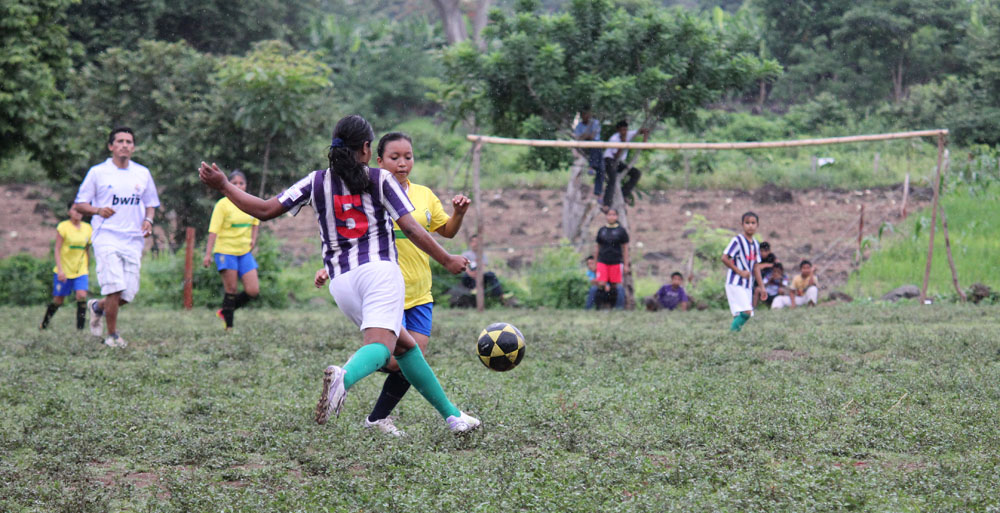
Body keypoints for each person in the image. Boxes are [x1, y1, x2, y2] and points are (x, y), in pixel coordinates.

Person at [198, 114, 481, 433]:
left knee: (405, 348)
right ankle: (343, 378)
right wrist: (446, 259)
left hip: (342, 283)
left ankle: (454, 417)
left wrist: (223, 185)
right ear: (365, 149)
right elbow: (411, 227)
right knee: (383, 346)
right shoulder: (380, 179)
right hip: (379, 273)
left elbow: (264, 210)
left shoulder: (316, 181)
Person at [359, 131, 470, 436]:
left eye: (408, 157)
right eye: (394, 157)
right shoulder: (369, 196)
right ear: (379, 161)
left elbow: (446, 231)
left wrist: (459, 213)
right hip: (385, 292)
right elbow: (351, 239)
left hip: (420, 293)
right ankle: (359, 366)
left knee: (405, 362)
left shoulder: (423, 195)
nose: (402, 163)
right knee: (402, 362)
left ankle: (376, 417)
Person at [75, 126, 159, 348]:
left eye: (129, 141)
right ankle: (112, 335)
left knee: (126, 294)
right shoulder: (98, 172)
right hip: (107, 236)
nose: (125, 145)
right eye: (120, 141)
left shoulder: (142, 173)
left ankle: (97, 307)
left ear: (133, 147)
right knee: (114, 287)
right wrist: (97, 210)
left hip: (133, 239)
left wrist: (148, 220)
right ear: (111, 146)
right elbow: (80, 204)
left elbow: (151, 204)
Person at [203, 170, 260, 331]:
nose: (238, 186)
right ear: (228, 184)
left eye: (241, 183)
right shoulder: (223, 204)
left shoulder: (250, 201)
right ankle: (229, 327)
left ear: (246, 185)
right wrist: (208, 254)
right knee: (231, 290)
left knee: (253, 290)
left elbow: (256, 221)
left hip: (244, 252)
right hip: (225, 251)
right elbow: (213, 231)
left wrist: (253, 239)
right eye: (234, 183)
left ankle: (225, 311)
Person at [39, 203, 93, 330]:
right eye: (74, 209)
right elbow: (57, 249)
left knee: (81, 296)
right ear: (69, 212)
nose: (77, 212)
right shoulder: (63, 227)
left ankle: (80, 330)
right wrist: (60, 270)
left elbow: (87, 249)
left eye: (80, 210)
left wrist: (87, 267)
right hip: (64, 269)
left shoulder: (87, 228)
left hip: (80, 270)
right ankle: (44, 324)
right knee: (58, 300)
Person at [721, 211, 766, 332]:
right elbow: (724, 258)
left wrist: (762, 287)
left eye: (753, 223)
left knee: (739, 314)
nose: (750, 225)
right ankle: (730, 336)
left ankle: (734, 341)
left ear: (757, 225)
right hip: (735, 282)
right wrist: (739, 271)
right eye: (747, 223)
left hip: (747, 284)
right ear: (742, 224)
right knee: (747, 312)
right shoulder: (737, 241)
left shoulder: (756, 244)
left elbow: (756, 267)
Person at [601, 120, 648, 210]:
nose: (624, 132)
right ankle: (606, 203)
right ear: (618, 130)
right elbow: (616, 156)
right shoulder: (614, 139)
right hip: (609, 160)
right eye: (622, 130)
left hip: (619, 162)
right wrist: (622, 143)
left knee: (636, 173)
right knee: (612, 180)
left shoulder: (629, 134)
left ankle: (623, 194)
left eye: (625, 130)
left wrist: (644, 140)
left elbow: (643, 130)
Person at [593, 208, 629, 310]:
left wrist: (626, 264)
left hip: (616, 261)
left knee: (614, 285)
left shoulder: (621, 231)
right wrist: (595, 262)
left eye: (613, 215)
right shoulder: (602, 230)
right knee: (601, 283)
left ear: (617, 216)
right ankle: (599, 307)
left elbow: (625, 248)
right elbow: (597, 247)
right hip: (602, 260)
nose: (611, 217)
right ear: (606, 216)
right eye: (609, 214)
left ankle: (612, 306)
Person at [573, 109, 604, 199]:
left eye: (587, 114)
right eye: (584, 114)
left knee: (601, 168)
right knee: (594, 145)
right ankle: (592, 165)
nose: (586, 116)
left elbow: (592, 136)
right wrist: (586, 135)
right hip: (585, 147)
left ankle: (598, 192)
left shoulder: (595, 123)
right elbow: (580, 138)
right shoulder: (579, 126)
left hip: (596, 146)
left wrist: (585, 135)